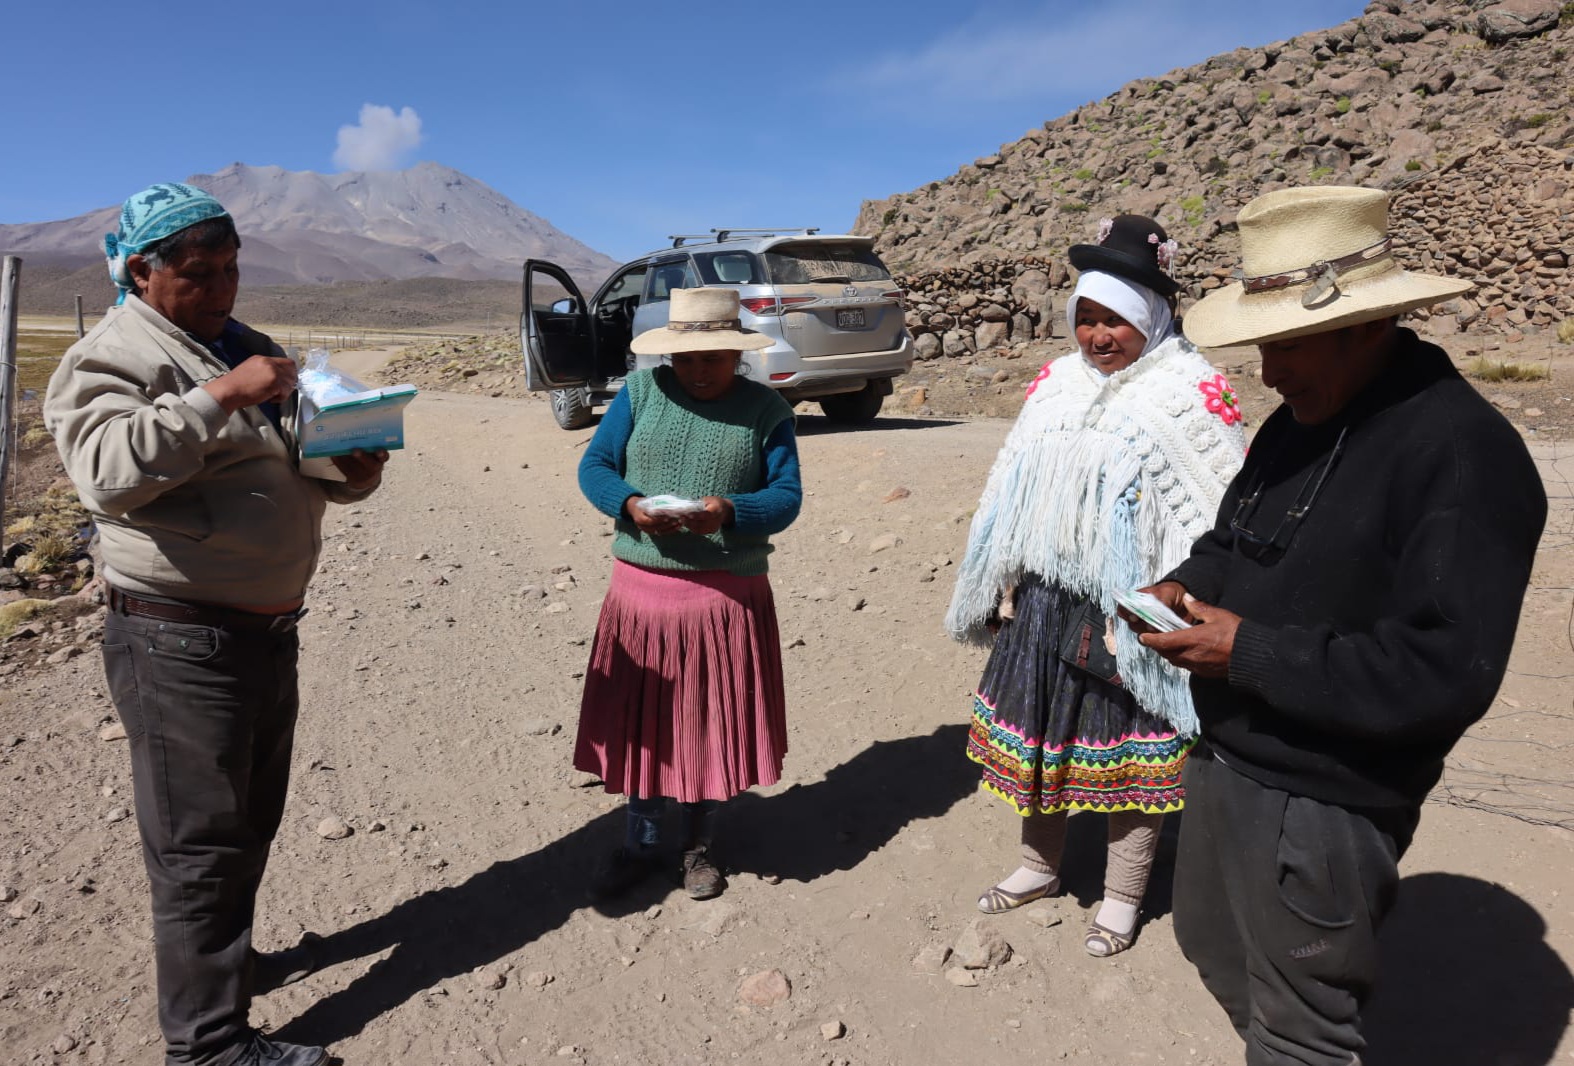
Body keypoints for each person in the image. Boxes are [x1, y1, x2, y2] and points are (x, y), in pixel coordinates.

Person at [1131, 186, 1547, 1065]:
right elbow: (1230, 539)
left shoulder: (1463, 455)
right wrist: (1183, 586)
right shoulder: (1296, 424)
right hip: (1229, 755)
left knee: (1302, 1030)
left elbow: (1445, 671)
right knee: (1213, 946)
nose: (1268, 370)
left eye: (1284, 342)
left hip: (1324, 796)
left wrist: (1245, 649)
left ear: (1368, 326)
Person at [44, 183, 389, 1066]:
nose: (223, 288)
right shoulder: (110, 355)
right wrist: (223, 395)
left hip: (264, 628)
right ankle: (206, 1047)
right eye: (200, 275)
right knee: (199, 841)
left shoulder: (244, 345)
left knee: (248, 821)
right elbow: (106, 474)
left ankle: (223, 973)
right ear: (141, 272)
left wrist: (351, 468)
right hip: (176, 635)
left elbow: (302, 461)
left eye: (233, 268)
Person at [944, 216, 1246, 955]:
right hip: (1049, 603)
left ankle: (1122, 896)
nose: (1096, 336)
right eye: (1086, 318)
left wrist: (1168, 599)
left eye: (1113, 320)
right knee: (1044, 741)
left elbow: (1218, 511)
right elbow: (1010, 485)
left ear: (1149, 320)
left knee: (1131, 753)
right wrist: (997, 575)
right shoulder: (1056, 384)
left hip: (1137, 611)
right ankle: (1036, 867)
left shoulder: (1190, 389)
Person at [574, 286, 802, 901]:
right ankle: (640, 843)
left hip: (723, 599)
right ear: (669, 355)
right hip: (641, 595)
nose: (700, 371)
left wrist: (731, 511)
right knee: (643, 724)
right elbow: (595, 466)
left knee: (705, 723)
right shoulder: (640, 394)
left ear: (738, 355)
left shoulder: (767, 410)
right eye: (688, 358)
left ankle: (696, 849)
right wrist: (628, 504)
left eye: (715, 359)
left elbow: (786, 498)